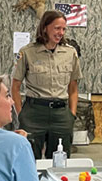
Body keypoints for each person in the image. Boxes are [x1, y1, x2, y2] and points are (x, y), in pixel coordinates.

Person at [12, 10, 82, 159]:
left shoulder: (70, 53)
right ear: (45, 28)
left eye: (63, 29)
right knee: (29, 160)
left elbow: (73, 88)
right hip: (34, 113)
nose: (61, 32)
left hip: (61, 115)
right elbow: (15, 87)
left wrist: (71, 115)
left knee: (60, 162)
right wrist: (21, 115)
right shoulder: (27, 52)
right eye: (57, 28)